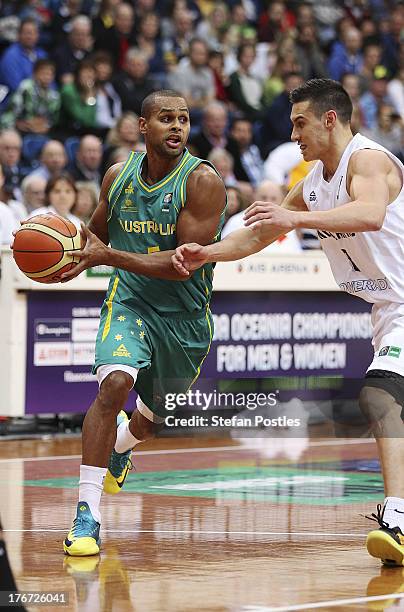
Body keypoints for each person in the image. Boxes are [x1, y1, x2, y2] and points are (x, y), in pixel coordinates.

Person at [173, 78, 404, 567]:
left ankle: (398, 520)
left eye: (300, 122)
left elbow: (370, 214)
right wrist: (206, 254)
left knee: (380, 394)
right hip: (387, 310)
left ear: (329, 118)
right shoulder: (315, 182)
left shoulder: (368, 161)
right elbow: (257, 236)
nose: (293, 132)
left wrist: (292, 218)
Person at [58, 89, 226, 556]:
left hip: (185, 318)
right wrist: (61, 257)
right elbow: (95, 236)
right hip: (130, 302)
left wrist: (104, 254)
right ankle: (86, 513)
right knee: (112, 385)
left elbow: (181, 264)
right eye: (167, 119)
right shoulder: (118, 175)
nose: (177, 127)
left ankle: (123, 447)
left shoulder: (203, 181)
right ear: (143, 126)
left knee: (151, 422)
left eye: (184, 120)